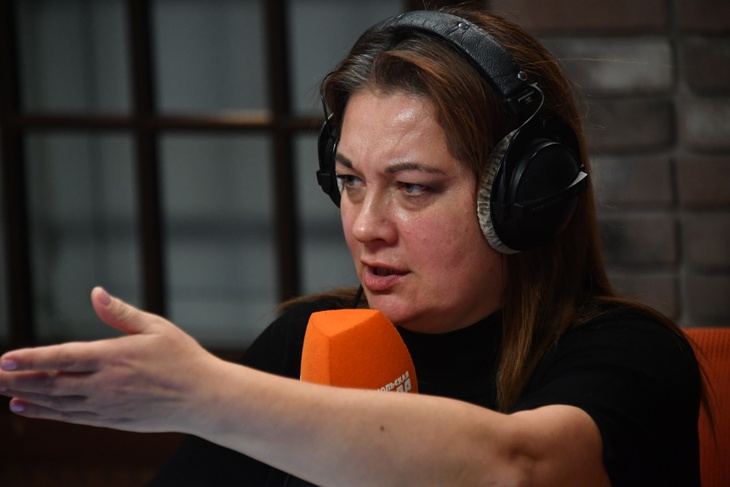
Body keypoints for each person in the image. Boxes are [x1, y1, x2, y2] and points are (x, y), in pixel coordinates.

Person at [0, 6, 702, 487]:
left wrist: (207, 393)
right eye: (349, 182)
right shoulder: (302, 343)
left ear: (527, 198)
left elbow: (520, 468)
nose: (366, 226)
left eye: (413, 187)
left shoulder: (632, 355)